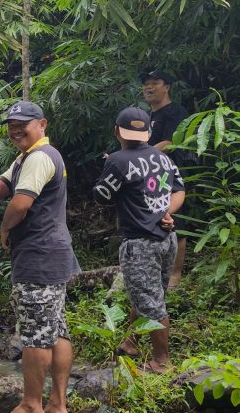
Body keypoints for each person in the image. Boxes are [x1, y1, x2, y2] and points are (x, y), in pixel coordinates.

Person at [0, 101, 80, 413]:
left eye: (22, 124)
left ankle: (31, 404)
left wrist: (4, 229)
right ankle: (57, 403)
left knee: (36, 335)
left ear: (42, 124)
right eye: (12, 125)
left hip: (39, 255)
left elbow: (20, 203)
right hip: (51, 254)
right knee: (56, 330)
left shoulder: (39, 158)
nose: (15, 130)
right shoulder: (26, 158)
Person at [93, 107, 185, 373]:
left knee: (152, 303)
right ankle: (131, 342)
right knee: (148, 294)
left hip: (140, 243)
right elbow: (179, 190)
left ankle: (161, 361)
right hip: (167, 239)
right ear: (149, 131)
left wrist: (109, 168)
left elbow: (102, 196)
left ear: (117, 132)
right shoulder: (163, 158)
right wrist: (166, 212)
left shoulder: (118, 160)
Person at [140, 70, 191, 287]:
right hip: (148, 174)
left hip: (172, 174)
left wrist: (138, 156)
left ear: (167, 87)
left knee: (176, 219)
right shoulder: (146, 116)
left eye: (154, 83)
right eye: (146, 84)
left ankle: (175, 275)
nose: (148, 87)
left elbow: (170, 142)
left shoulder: (175, 111)